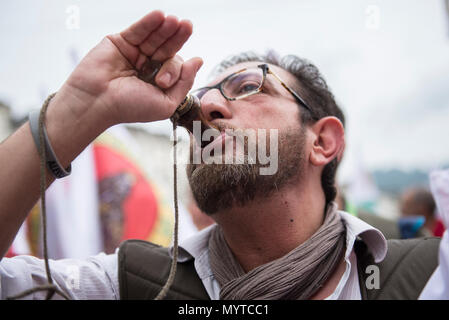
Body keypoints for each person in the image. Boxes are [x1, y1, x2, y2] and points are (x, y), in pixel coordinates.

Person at [0, 10, 443, 300]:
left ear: (322, 142)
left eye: (250, 87)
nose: (207, 108)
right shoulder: (134, 283)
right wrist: (75, 111)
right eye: (203, 96)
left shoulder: (425, 278)